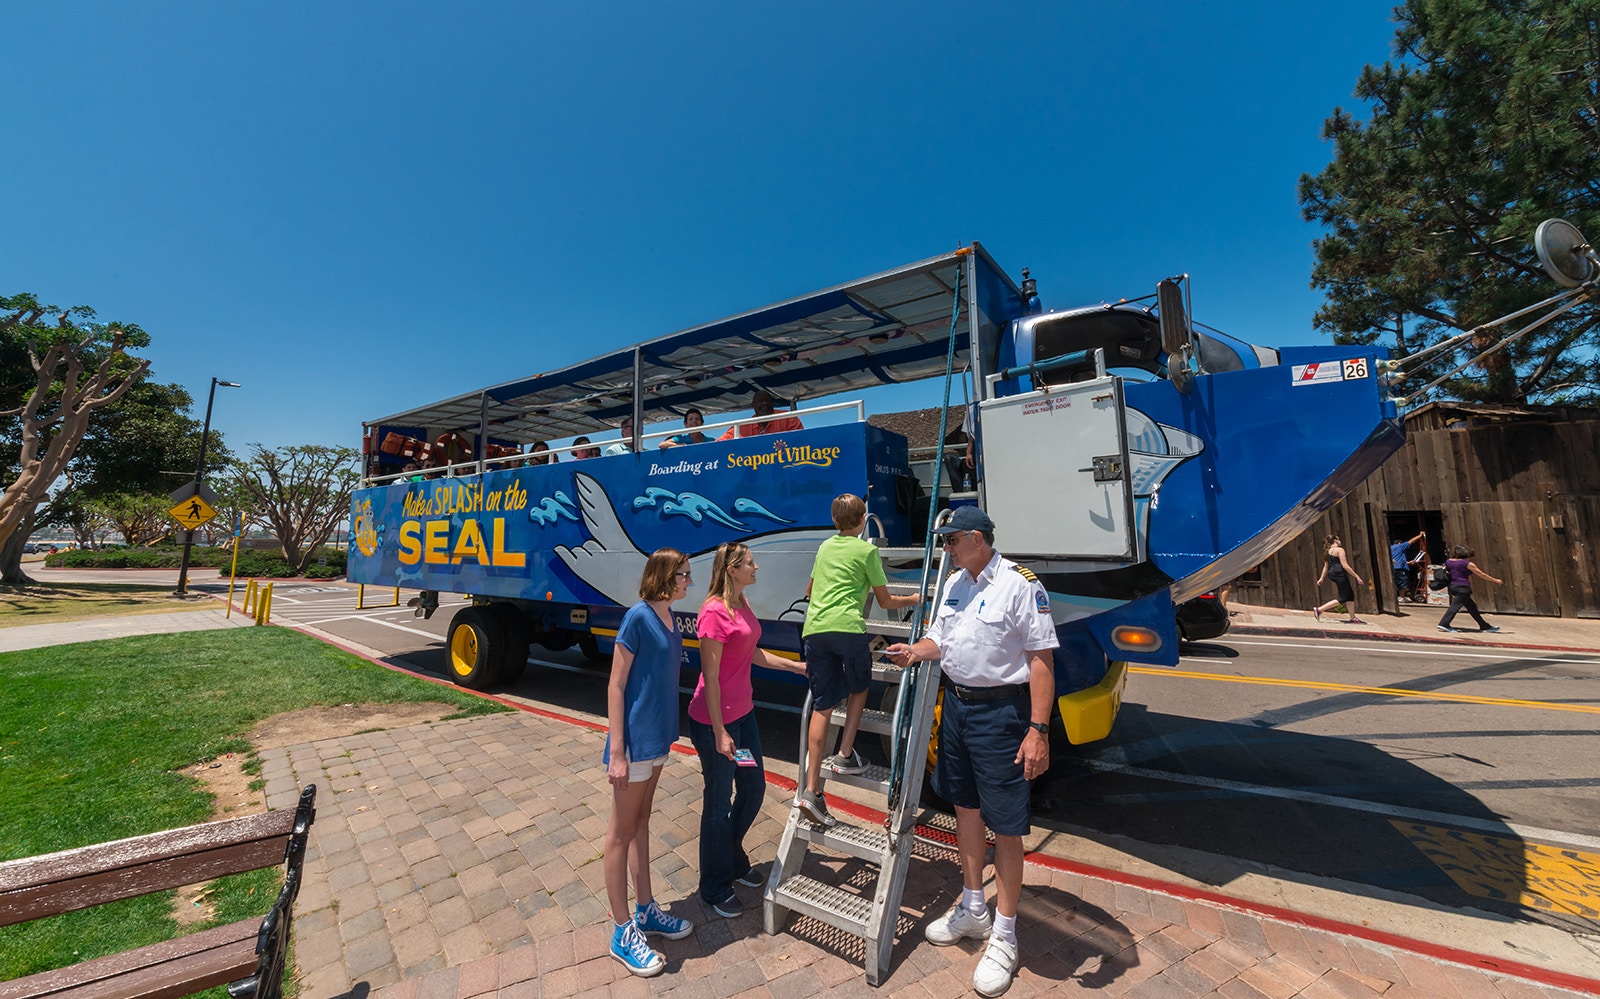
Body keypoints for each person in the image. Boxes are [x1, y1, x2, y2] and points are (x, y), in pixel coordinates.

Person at [885, 506, 1058, 998]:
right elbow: (944, 635)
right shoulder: (956, 582)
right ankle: (973, 907)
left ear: (978, 539)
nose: (945, 549)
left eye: (951, 540)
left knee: (1005, 823)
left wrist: (1037, 731)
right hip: (957, 708)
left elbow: (1041, 659)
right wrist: (916, 650)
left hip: (1002, 715)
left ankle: (1005, 935)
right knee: (964, 808)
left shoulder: (1021, 585)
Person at [689, 541, 807, 918]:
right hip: (715, 725)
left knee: (753, 788)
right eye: (750, 564)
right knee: (718, 803)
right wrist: (722, 733)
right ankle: (714, 886)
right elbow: (709, 677)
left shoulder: (740, 603)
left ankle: (732, 857)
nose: (757, 568)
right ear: (732, 570)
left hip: (744, 716)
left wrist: (796, 667)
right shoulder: (713, 612)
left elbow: (751, 652)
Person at [794, 494, 919, 827]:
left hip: (815, 630)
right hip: (848, 629)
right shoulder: (867, 551)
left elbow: (809, 589)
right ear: (863, 520)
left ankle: (811, 789)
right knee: (859, 687)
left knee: (822, 705)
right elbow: (886, 599)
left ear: (835, 521)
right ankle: (846, 753)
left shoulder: (824, 548)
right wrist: (917, 597)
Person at [603, 548, 694, 976]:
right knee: (619, 834)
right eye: (684, 575)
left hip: (658, 740)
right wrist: (617, 751)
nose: (689, 581)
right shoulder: (637, 617)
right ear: (665, 575)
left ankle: (645, 910)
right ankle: (623, 933)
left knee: (641, 824)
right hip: (635, 744)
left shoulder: (671, 618)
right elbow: (616, 685)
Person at [1438, 543, 1503, 633]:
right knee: (1455, 607)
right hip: (1463, 588)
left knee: (1472, 607)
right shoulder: (1468, 564)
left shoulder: (1449, 562)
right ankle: (1444, 624)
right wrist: (1495, 580)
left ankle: (1484, 625)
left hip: (1453, 586)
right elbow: (1482, 574)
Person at [1313, 533, 1364, 624]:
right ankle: (1319, 609)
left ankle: (1353, 617)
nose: (1340, 541)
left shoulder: (1327, 551)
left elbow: (1326, 566)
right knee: (1343, 597)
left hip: (1332, 574)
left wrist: (1321, 578)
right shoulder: (1340, 550)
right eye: (1339, 539)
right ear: (1335, 540)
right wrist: (1356, 576)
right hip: (1339, 574)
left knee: (1350, 595)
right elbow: (1345, 565)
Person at [716, 389, 803, 440]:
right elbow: (719, 443)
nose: (764, 403)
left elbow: (801, 439)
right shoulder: (742, 427)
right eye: (760, 401)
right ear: (753, 405)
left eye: (767, 400)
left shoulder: (787, 418)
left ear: (772, 404)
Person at [1390, 530, 1425, 603]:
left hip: (1392, 567)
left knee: (1395, 581)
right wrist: (1420, 536)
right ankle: (1401, 597)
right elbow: (1410, 542)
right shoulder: (1400, 546)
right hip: (1400, 568)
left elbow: (1396, 559)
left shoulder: (1390, 548)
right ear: (1399, 543)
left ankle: (1396, 596)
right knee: (1403, 581)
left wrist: (1408, 563)